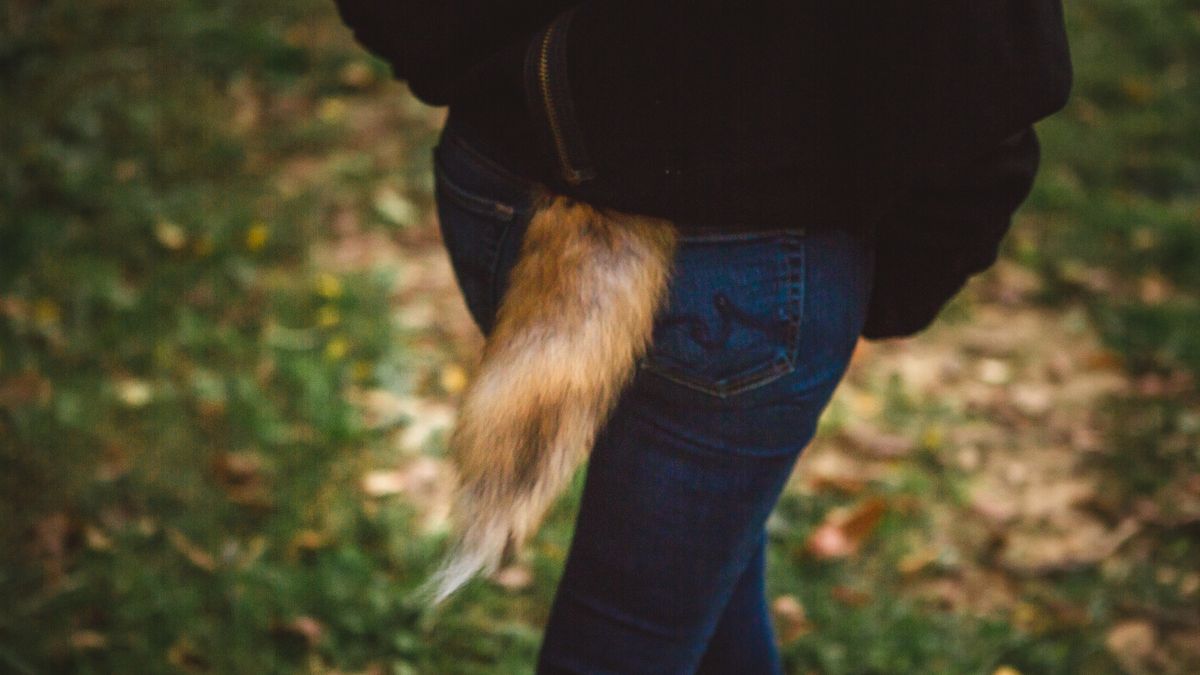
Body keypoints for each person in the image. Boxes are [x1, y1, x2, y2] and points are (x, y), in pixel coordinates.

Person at [332, 2, 1072, 672]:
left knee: (702, 556)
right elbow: (985, 66)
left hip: (499, 191)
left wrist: (455, 57)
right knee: (627, 633)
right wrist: (895, 287)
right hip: (746, 267)